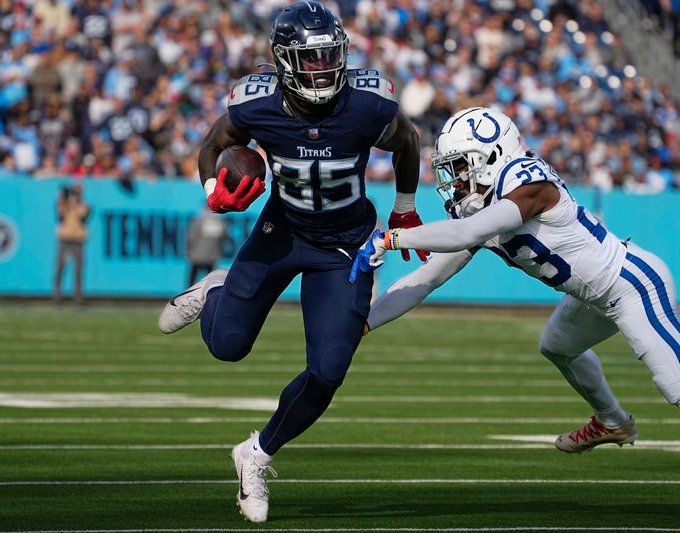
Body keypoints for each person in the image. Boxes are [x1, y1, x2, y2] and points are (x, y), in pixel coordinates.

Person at [157, 2, 428, 523]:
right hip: (282, 232)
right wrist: (213, 187)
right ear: (283, 61)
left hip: (343, 249)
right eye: (311, 58)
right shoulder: (256, 106)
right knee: (227, 346)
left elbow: (408, 141)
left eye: (330, 55)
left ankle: (255, 456)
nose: (323, 68)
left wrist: (405, 208)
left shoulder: (367, 104)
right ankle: (214, 289)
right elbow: (215, 142)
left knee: (328, 371)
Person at [353, 106, 680, 455]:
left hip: (631, 285)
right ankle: (611, 421)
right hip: (592, 297)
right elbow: (426, 279)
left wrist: (391, 238)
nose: (457, 181)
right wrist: (363, 323)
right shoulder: (481, 211)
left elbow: (467, 231)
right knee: (557, 345)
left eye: (461, 166)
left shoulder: (527, 179)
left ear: (492, 156)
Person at [54, 183, 91, 306]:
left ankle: (78, 299)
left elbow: (84, 214)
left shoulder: (83, 206)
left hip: (77, 241)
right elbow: (60, 211)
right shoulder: (64, 206)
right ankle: (58, 298)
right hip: (64, 240)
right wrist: (63, 196)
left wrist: (78, 200)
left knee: (78, 272)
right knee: (60, 270)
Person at [185, 205, 229, 287]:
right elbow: (224, 238)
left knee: (192, 280)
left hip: (197, 254)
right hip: (212, 255)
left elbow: (191, 237)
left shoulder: (198, 221)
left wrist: (189, 251)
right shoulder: (220, 222)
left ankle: (187, 295)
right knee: (211, 280)